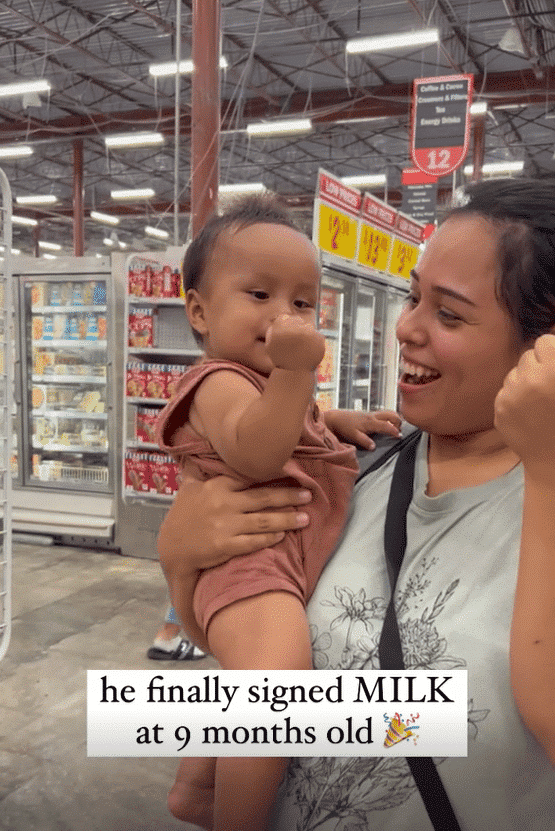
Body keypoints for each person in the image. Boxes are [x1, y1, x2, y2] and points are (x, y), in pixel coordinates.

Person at [158, 177, 555, 831]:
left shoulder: (533, 501)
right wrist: (180, 563)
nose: (404, 328)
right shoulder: (358, 463)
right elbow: (268, 656)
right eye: (411, 297)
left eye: (447, 314)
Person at [155, 193, 402, 831]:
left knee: (245, 684)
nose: (284, 316)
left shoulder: (274, 382)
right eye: (259, 295)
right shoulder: (219, 382)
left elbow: (300, 427)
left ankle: (196, 783)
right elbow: (260, 453)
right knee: (274, 686)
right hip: (250, 562)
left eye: (301, 302)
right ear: (199, 312)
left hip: (280, 556)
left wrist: (338, 420)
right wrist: (297, 374)